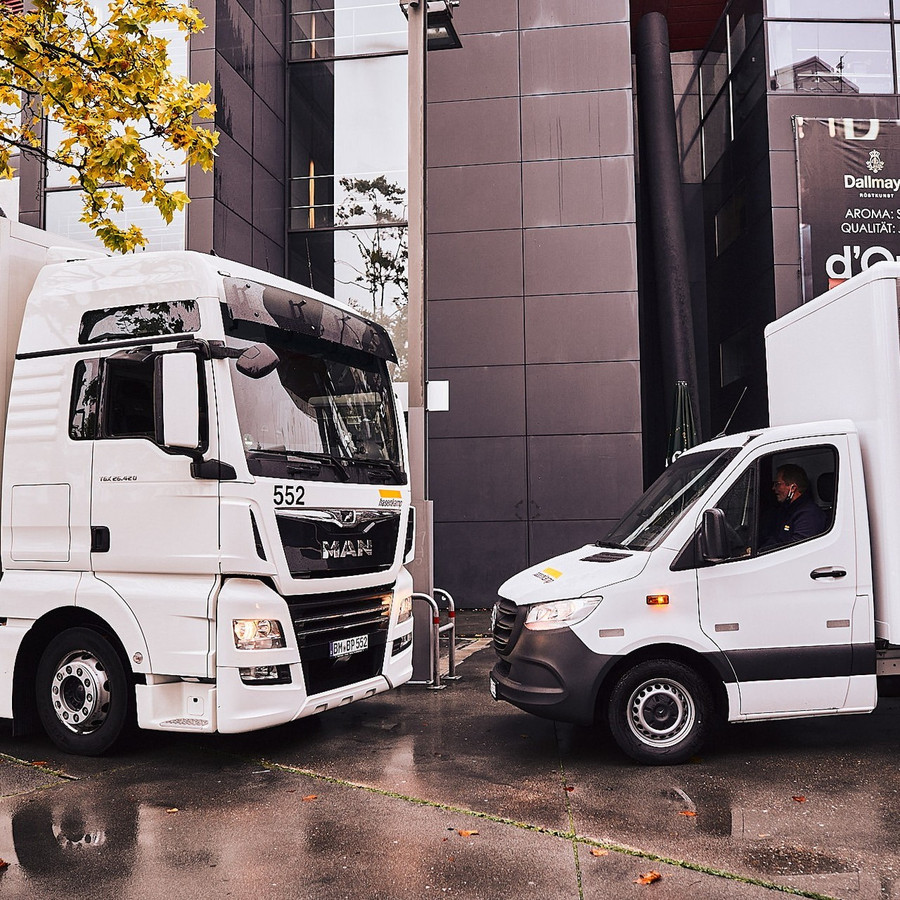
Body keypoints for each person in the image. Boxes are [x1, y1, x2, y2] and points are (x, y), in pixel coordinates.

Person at [761, 464, 828, 549]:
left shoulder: (809, 514)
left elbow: (798, 548)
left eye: (777, 484)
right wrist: (759, 550)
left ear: (793, 488)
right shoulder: (785, 510)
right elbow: (776, 539)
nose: (773, 488)